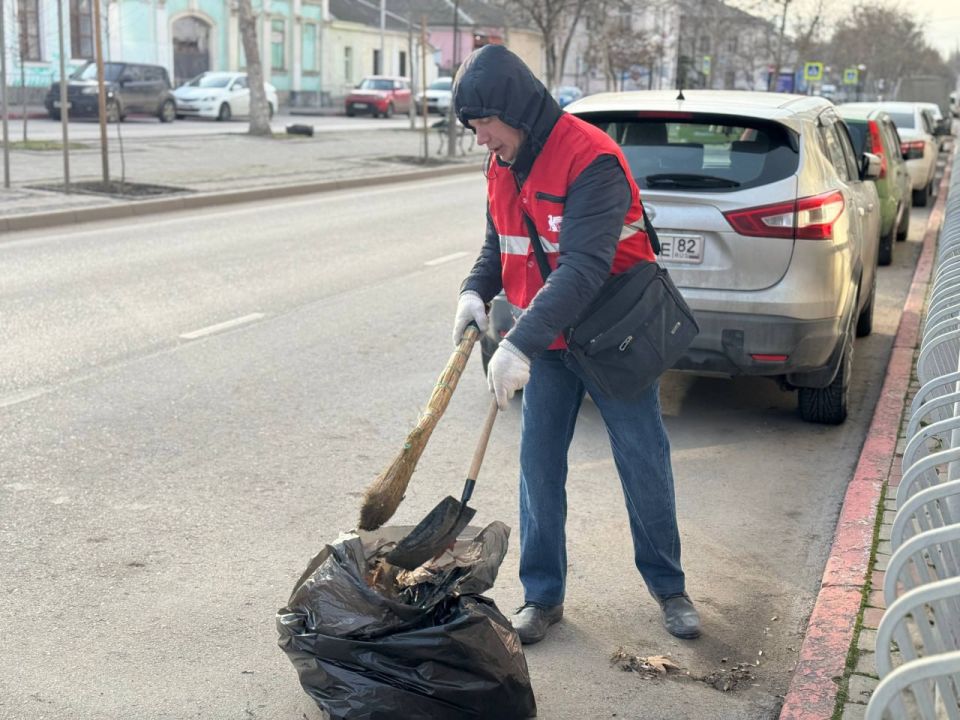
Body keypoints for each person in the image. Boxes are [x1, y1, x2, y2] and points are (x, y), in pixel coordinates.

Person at [450, 44, 700, 644]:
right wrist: (474, 292)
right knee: (538, 467)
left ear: (513, 109)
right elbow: (500, 246)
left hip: (614, 337)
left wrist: (517, 345)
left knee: (642, 461)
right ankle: (542, 597)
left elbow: (585, 267)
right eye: (472, 127)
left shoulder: (593, 161)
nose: (480, 137)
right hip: (548, 344)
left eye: (484, 122)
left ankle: (670, 588)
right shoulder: (502, 164)